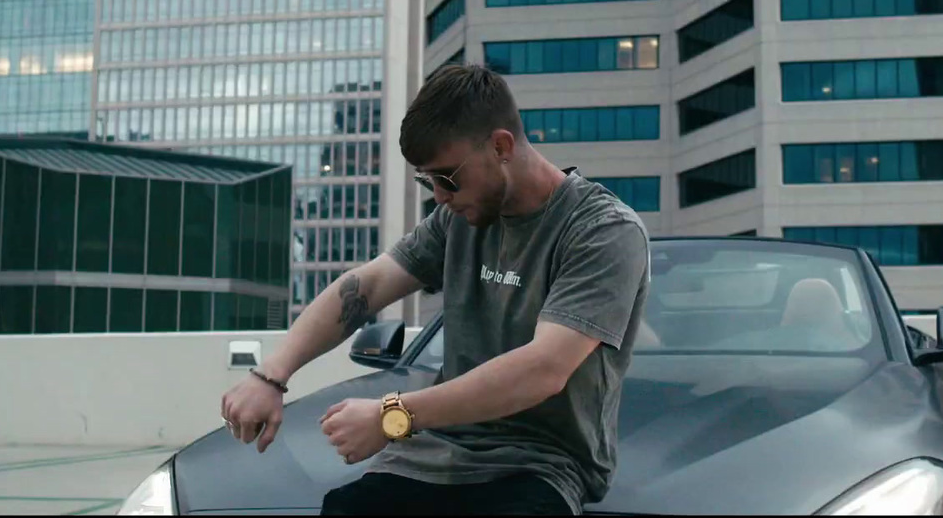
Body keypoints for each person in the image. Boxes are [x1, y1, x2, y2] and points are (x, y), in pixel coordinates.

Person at [220, 64, 652, 515]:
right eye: (427, 182)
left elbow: (542, 370)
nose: (440, 196)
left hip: (539, 464)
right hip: (432, 454)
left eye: (447, 178)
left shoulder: (602, 230)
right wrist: (270, 376)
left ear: (501, 146)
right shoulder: (458, 218)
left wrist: (393, 415)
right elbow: (368, 284)